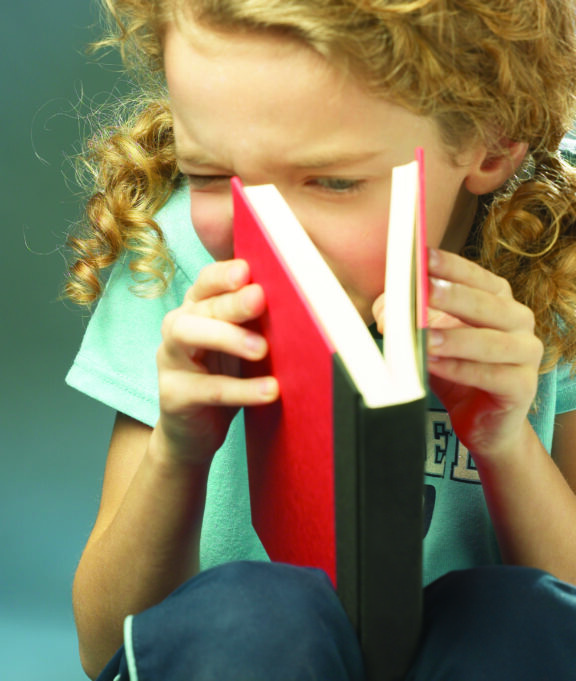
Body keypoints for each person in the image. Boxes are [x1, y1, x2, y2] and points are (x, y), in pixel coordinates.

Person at [63, 1, 576, 679]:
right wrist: (177, 452)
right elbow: (107, 641)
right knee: (256, 615)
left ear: (490, 141)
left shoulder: (551, 273)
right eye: (211, 176)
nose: (274, 234)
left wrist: (508, 441)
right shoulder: (178, 257)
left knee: (518, 619)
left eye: (333, 181)